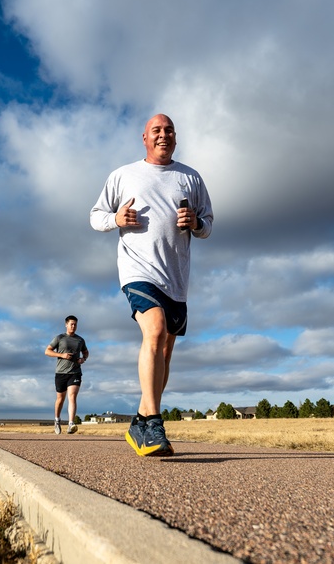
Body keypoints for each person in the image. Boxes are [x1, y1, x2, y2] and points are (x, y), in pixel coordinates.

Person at [90, 113, 213, 457]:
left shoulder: (190, 177)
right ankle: (155, 423)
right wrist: (115, 219)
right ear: (144, 137)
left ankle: (140, 421)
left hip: (176, 277)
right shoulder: (124, 175)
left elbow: (209, 224)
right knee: (155, 330)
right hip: (137, 269)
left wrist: (197, 222)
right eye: (156, 130)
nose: (163, 135)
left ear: (176, 137)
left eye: (169, 130)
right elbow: (95, 215)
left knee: (165, 350)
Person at [45, 315, 89, 434]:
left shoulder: (80, 340)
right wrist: (61, 355)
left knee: (72, 396)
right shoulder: (59, 338)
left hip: (75, 372)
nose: (74, 326)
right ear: (66, 324)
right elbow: (47, 351)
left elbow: (86, 352)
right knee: (60, 399)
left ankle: (71, 423)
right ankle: (57, 420)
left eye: (75, 324)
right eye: (71, 324)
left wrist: (83, 359)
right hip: (61, 372)